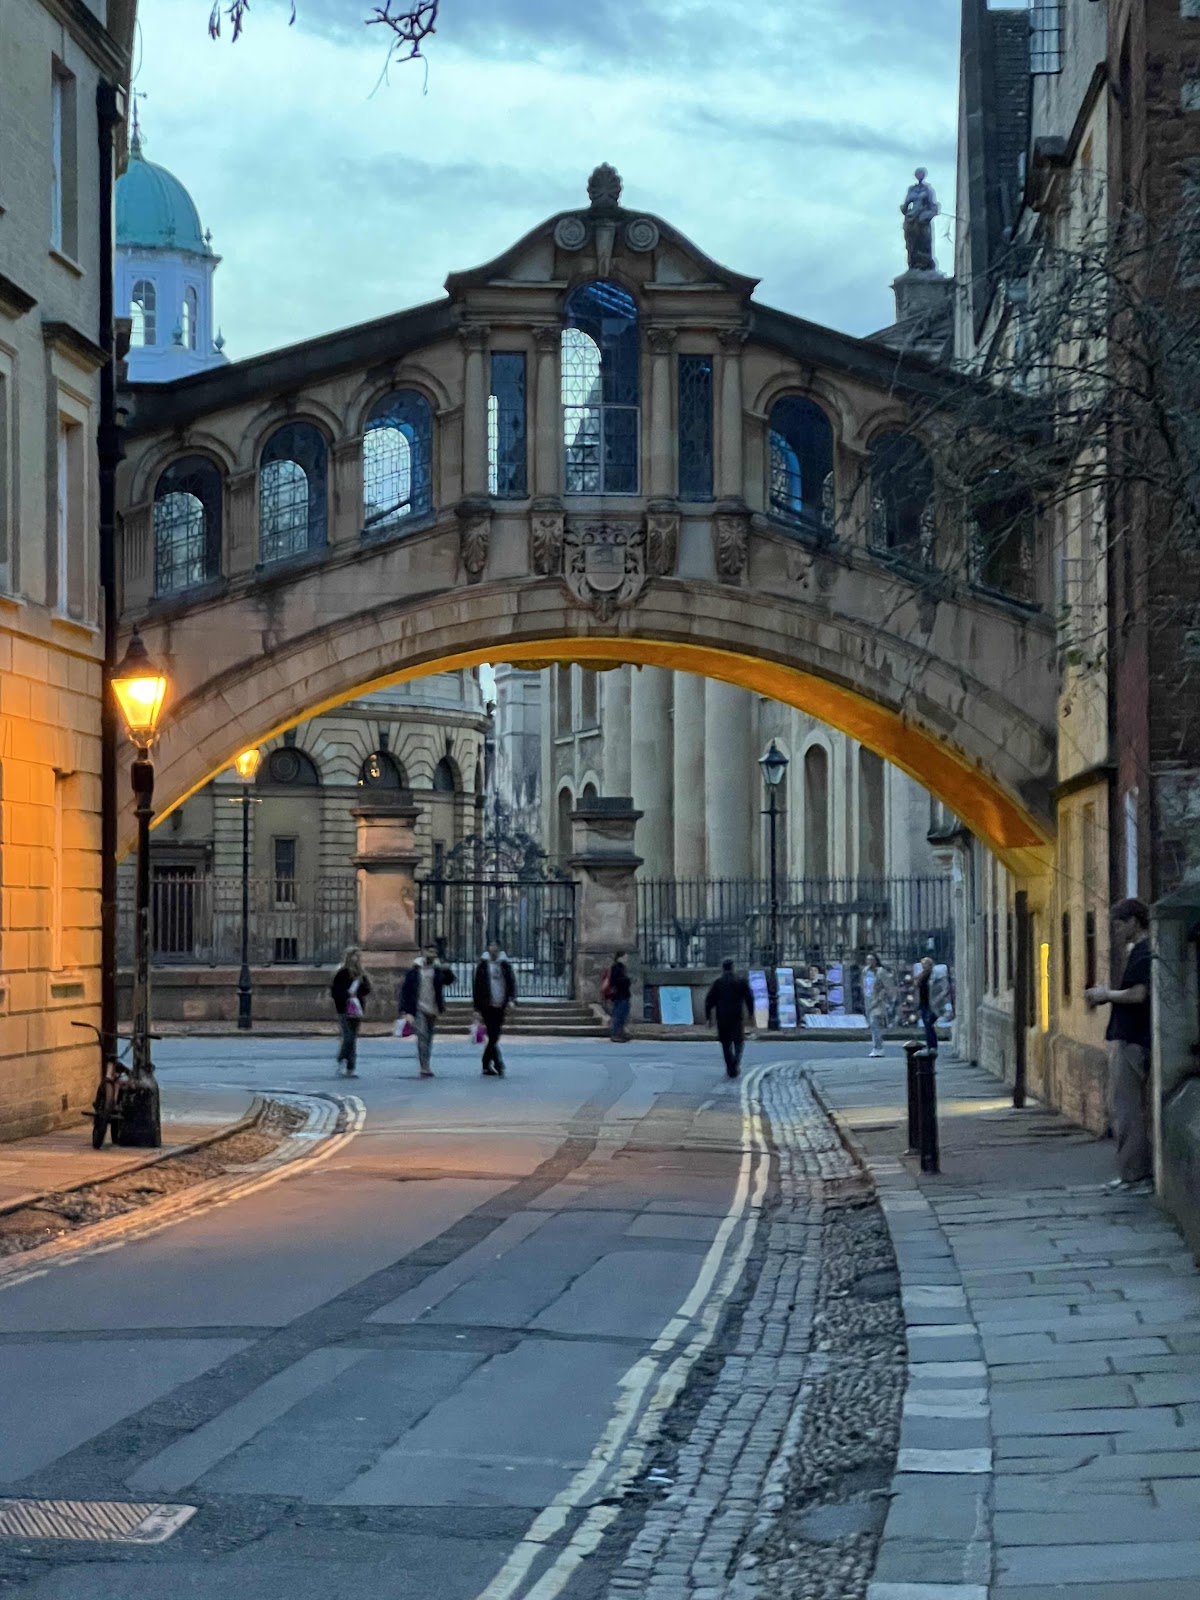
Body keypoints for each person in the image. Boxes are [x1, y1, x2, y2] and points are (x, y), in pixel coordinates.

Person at [1086, 898, 1153, 1192]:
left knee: (1127, 1110)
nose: (1116, 931)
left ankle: (1135, 1174)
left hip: (1132, 1040)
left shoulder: (1143, 952)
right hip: (1132, 1037)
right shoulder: (1140, 951)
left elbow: (1139, 994)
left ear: (1133, 922)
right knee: (1129, 1108)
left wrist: (1107, 994)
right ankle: (1133, 1172)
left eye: (1119, 925)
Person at [399, 945, 454, 1078]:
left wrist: (446, 969)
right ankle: (424, 1066)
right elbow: (406, 991)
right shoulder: (415, 971)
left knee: (429, 1037)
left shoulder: (437, 970)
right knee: (422, 1035)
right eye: (429, 952)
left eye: (434, 952)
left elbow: (449, 981)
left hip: (433, 1007)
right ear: (423, 953)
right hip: (418, 1007)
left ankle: (426, 1062)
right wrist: (405, 1010)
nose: (431, 955)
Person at [705, 958, 756, 1079]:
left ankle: (730, 1066)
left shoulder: (718, 983)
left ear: (723, 969)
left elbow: (709, 1001)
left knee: (725, 1043)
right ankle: (736, 1062)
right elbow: (749, 998)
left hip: (722, 1016)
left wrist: (708, 1017)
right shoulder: (740, 981)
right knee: (738, 1041)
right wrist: (751, 1013)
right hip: (736, 1015)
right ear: (733, 968)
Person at [473, 942, 517, 1078]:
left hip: (501, 1003)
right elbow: (477, 987)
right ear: (488, 950)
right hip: (487, 1004)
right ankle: (498, 1063)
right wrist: (476, 1008)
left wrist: (512, 999)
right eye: (491, 947)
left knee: (495, 1034)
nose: (493, 950)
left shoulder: (505, 965)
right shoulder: (482, 966)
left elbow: (511, 982)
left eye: (495, 948)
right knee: (492, 1034)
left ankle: (486, 1062)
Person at [330, 948, 371, 1078]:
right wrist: (346, 995)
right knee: (348, 1037)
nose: (357, 959)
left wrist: (362, 984)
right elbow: (335, 992)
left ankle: (351, 1066)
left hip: (357, 1009)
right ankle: (342, 1059)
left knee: (353, 1038)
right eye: (354, 956)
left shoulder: (361, 974)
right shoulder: (342, 973)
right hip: (344, 1009)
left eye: (358, 956)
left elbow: (366, 990)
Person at [862, 954, 894, 1059]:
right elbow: (864, 985)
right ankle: (876, 1046)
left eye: (872, 959)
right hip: (868, 1000)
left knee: (874, 1022)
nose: (869, 962)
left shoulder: (880, 971)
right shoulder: (865, 971)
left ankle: (878, 1047)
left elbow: (887, 987)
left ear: (876, 960)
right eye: (868, 959)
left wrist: (881, 997)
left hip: (878, 1002)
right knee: (872, 1025)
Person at [605, 951, 633, 1043]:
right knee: (619, 1015)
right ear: (620, 958)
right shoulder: (616, 968)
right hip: (620, 995)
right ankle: (616, 1034)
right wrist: (627, 981)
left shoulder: (621, 967)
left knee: (622, 1015)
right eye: (625, 957)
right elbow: (614, 981)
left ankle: (620, 1033)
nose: (627, 959)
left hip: (622, 994)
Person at [916, 955, 938, 1052]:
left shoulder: (933, 975)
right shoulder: (922, 975)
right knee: (927, 1025)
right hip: (923, 1002)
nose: (924, 966)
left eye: (926, 964)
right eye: (923, 964)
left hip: (931, 1003)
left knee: (929, 1024)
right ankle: (930, 1045)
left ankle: (932, 1046)